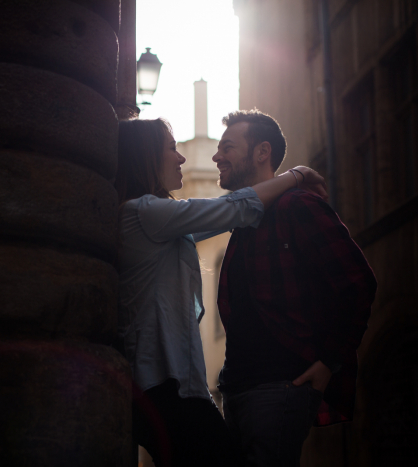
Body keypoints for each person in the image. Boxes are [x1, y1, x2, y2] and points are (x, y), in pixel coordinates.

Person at [115, 117, 327, 467]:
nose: (181, 158)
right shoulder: (144, 213)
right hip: (164, 386)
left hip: (172, 386)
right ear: (145, 158)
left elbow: (229, 215)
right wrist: (297, 175)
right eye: (171, 149)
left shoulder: (155, 220)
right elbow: (233, 209)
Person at [213, 109, 377, 467]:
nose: (216, 156)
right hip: (237, 387)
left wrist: (329, 362)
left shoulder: (299, 205)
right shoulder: (242, 220)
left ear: (262, 152)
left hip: (281, 385)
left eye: (227, 147)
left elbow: (357, 282)